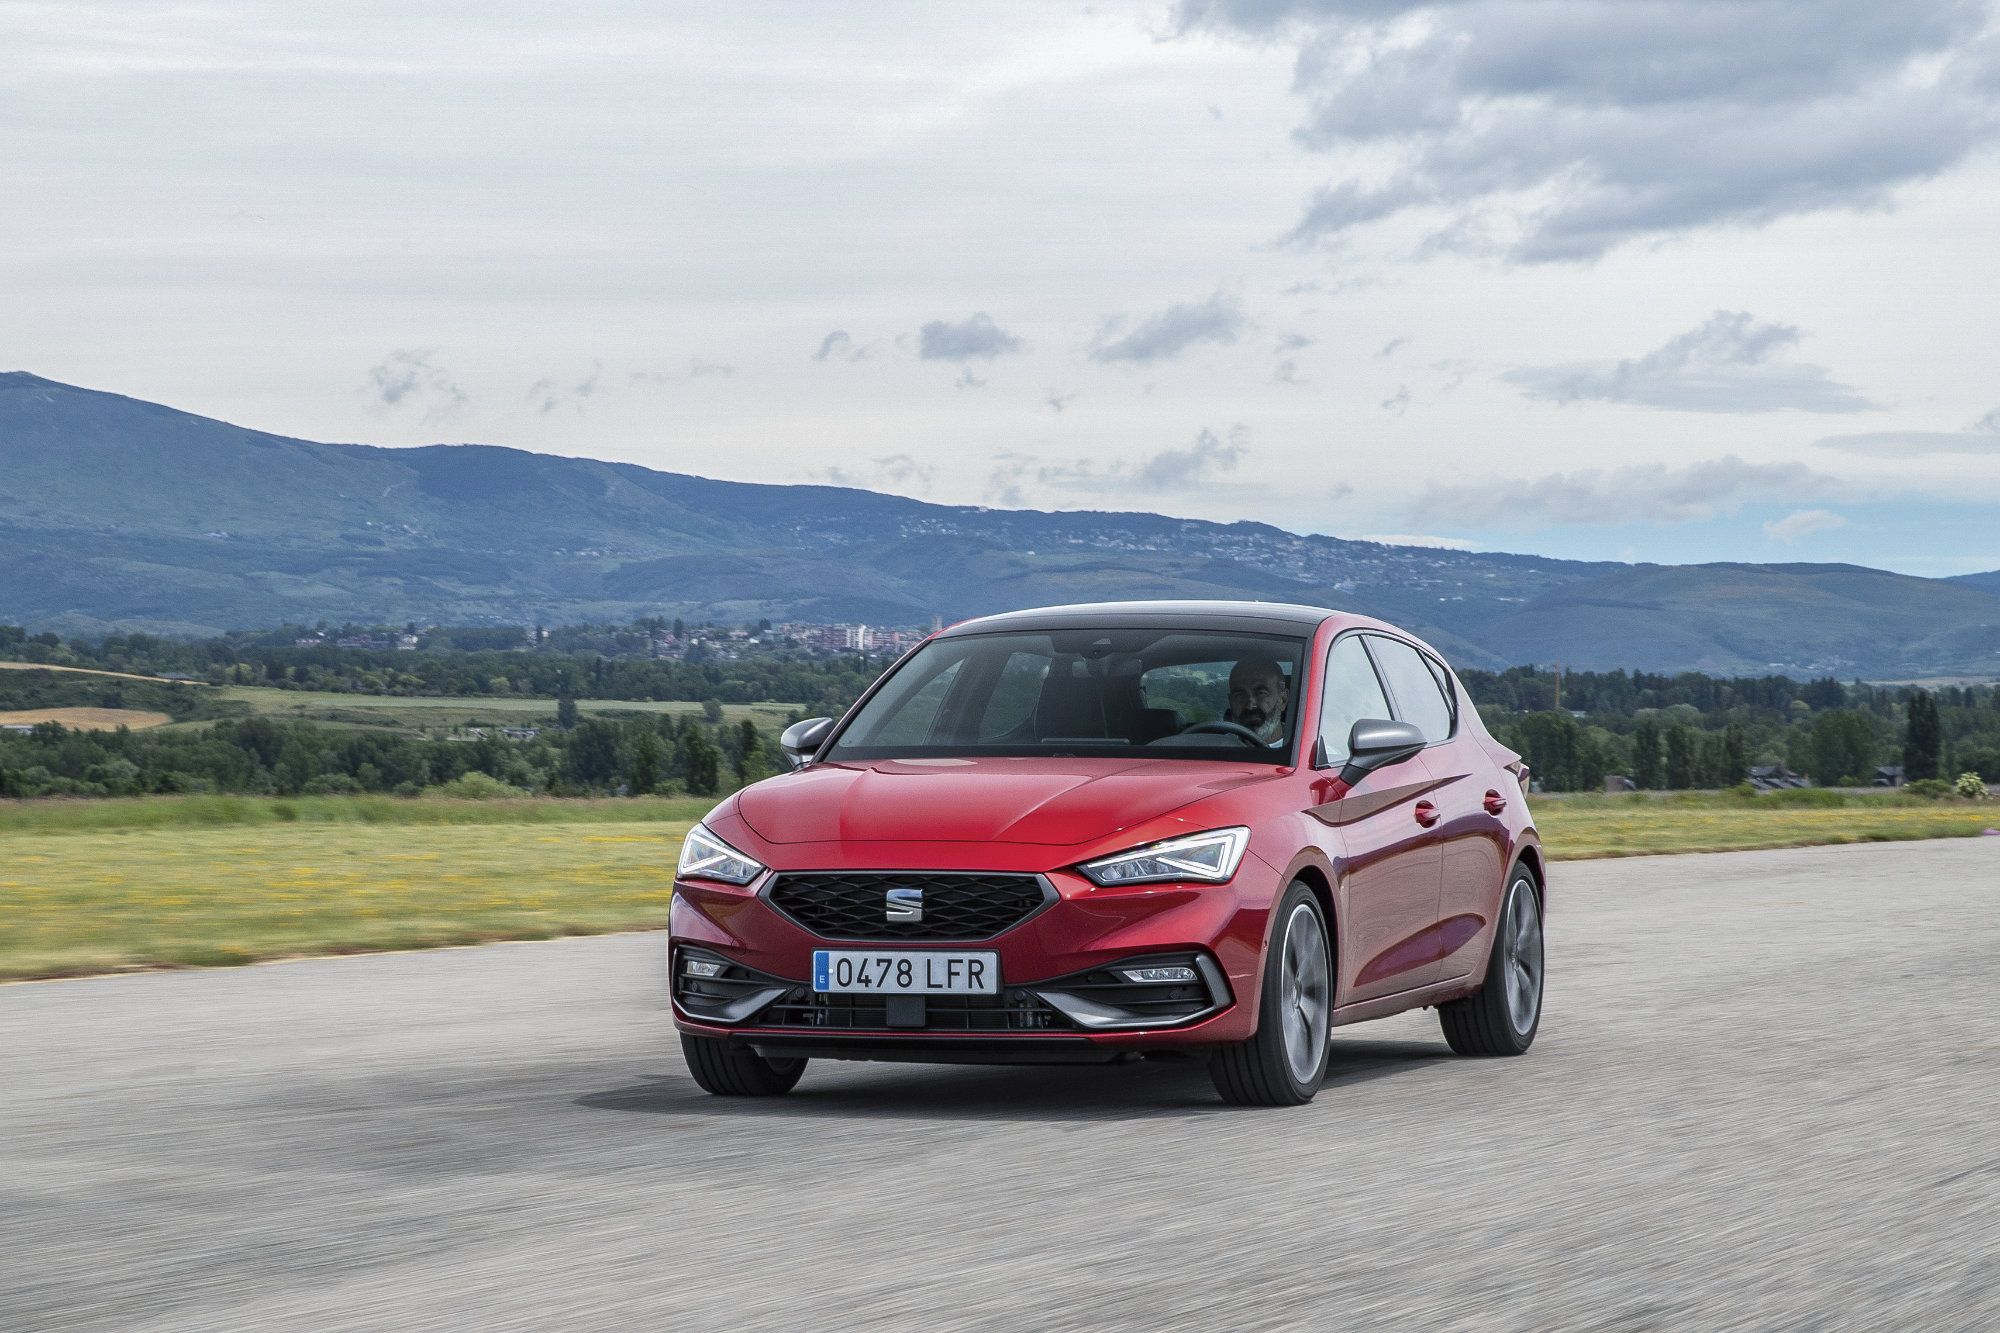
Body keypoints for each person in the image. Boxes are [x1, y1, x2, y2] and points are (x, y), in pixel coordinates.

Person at [1225, 657, 1290, 745]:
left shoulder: (1302, 746)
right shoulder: (1217, 748)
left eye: (1261, 693)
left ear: (1283, 700)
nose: (1250, 706)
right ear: (1230, 701)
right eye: (1239, 695)